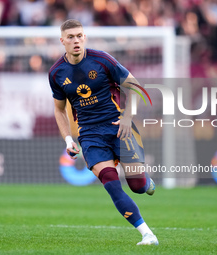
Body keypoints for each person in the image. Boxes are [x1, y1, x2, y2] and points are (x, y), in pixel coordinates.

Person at [49, 19, 158, 246]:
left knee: (137, 187)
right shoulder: (56, 73)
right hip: (89, 135)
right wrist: (69, 139)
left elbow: (135, 86)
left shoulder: (102, 60)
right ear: (62, 41)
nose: (76, 40)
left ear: (85, 37)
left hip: (118, 126)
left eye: (79, 35)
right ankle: (147, 234)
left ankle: (146, 183)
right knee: (110, 181)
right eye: (70, 37)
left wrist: (128, 117)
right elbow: (59, 110)